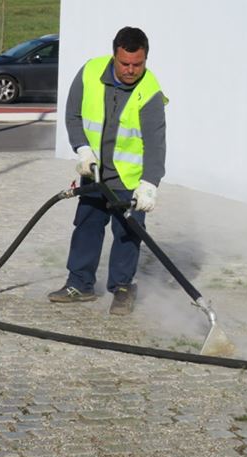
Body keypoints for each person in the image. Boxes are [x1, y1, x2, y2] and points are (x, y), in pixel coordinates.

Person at [48, 26, 167, 316]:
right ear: (114, 56)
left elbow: (155, 144)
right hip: (94, 172)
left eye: (137, 64)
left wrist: (149, 183)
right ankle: (80, 284)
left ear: (145, 59)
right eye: (124, 63)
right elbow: (73, 115)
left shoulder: (149, 91)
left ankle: (123, 288)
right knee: (87, 226)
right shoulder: (90, 72)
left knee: (127, 232)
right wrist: (82, 149)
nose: (130, 70)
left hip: (128, 178)